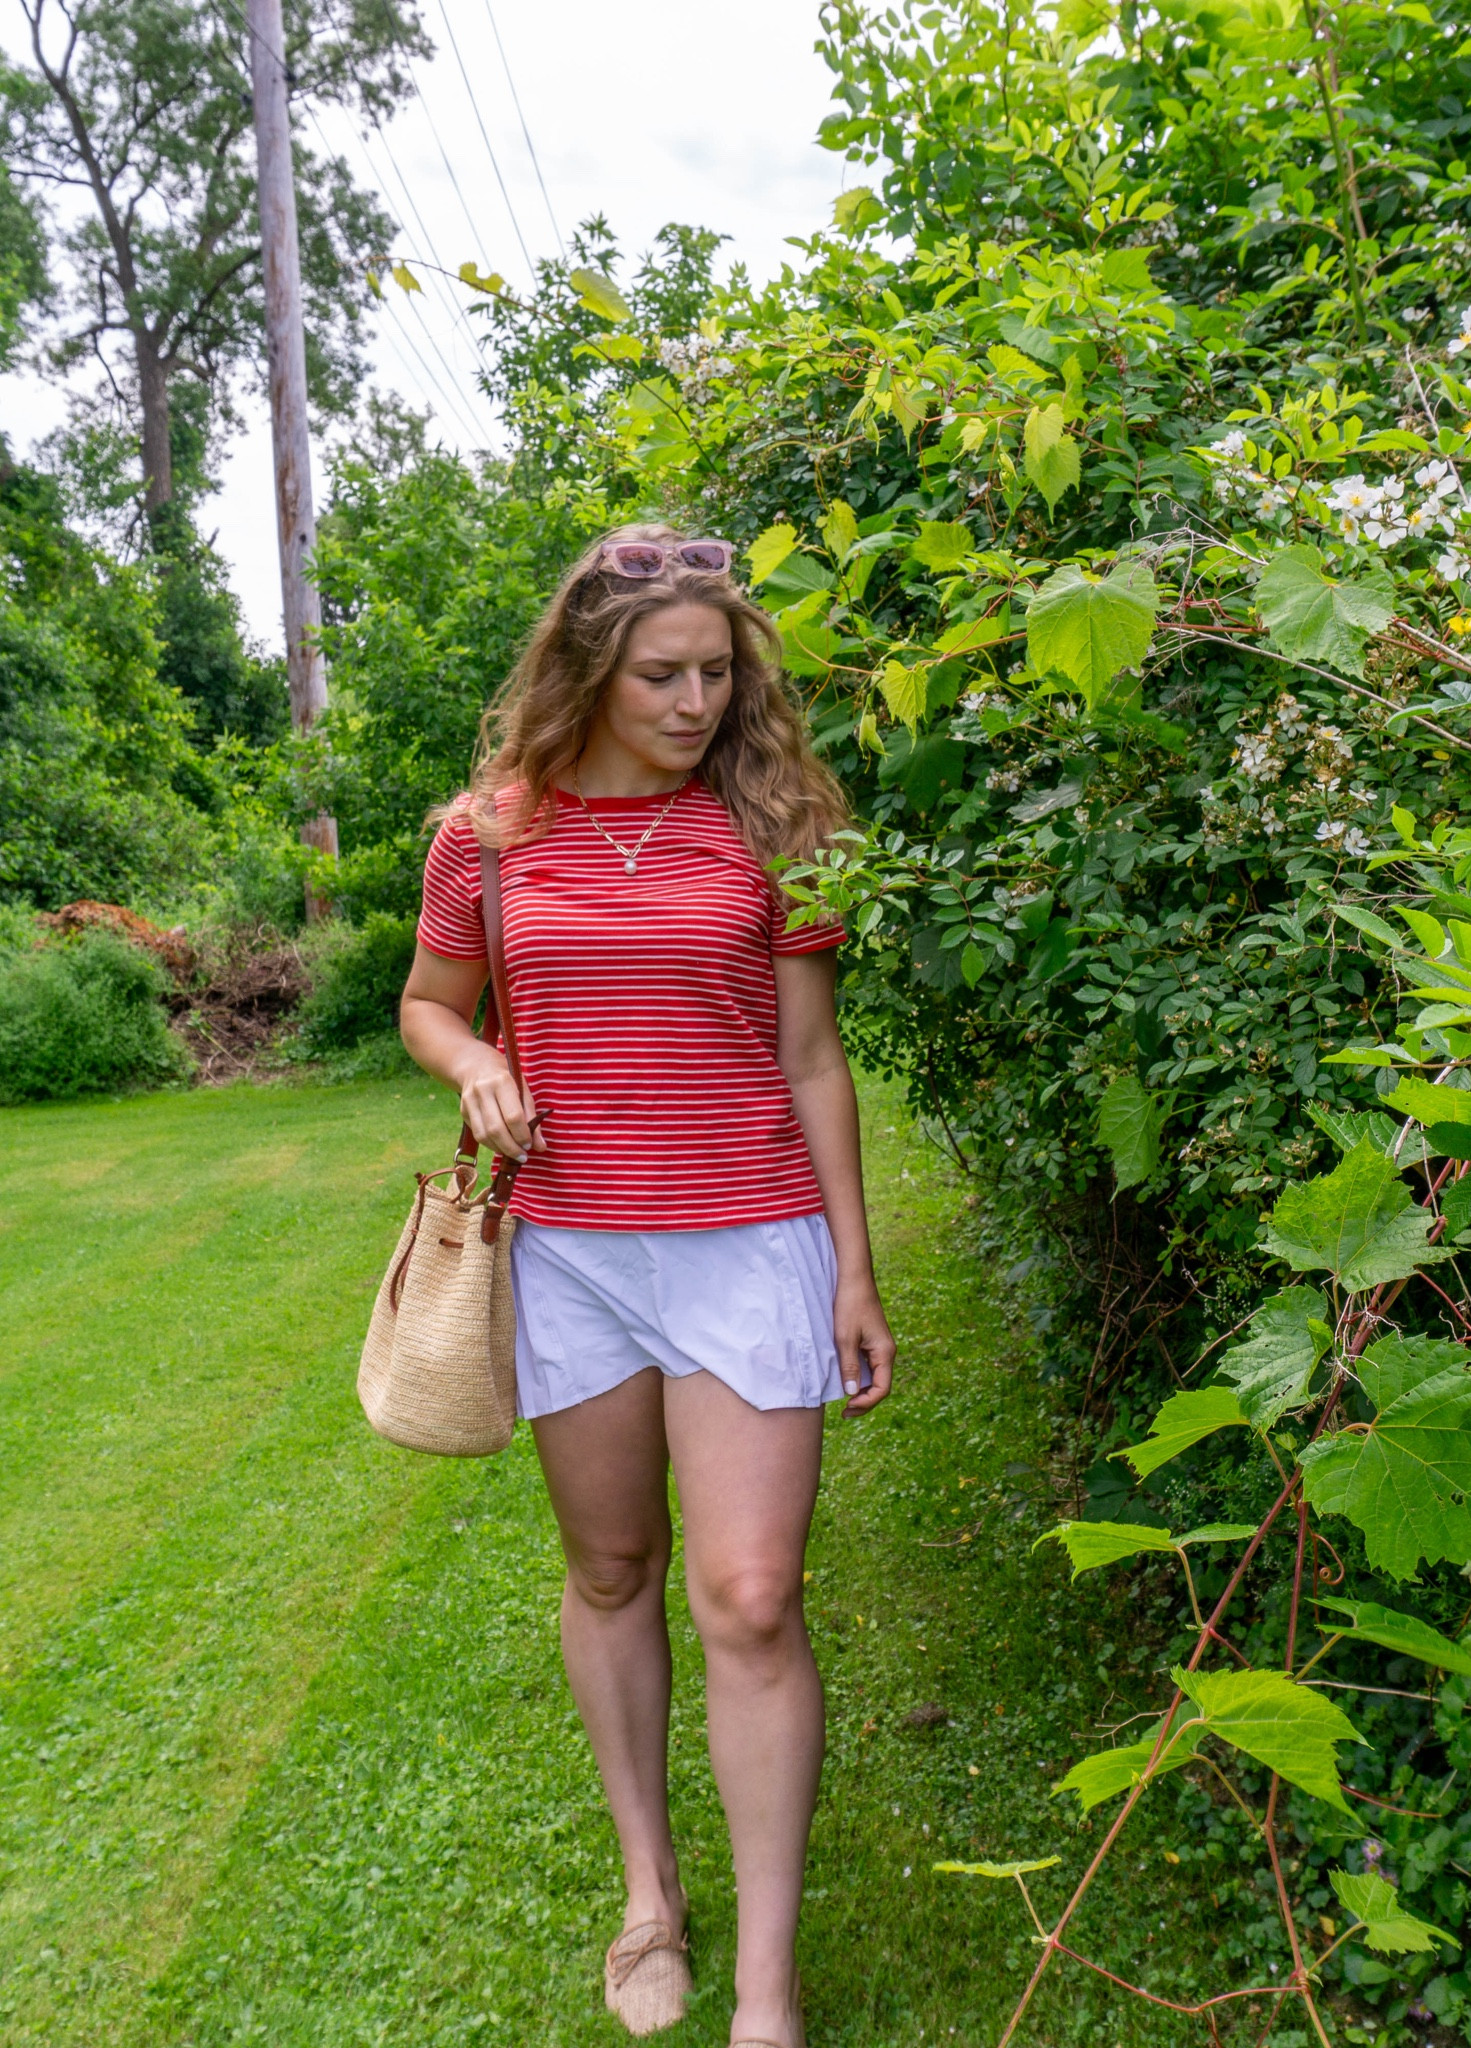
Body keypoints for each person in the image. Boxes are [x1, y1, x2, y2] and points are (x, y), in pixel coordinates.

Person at [398, 524, 896, 2048]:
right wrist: (478, 1059)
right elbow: (427, 1004)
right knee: (611, 1569)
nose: (696, 702)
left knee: (750, 1597)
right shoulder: (485, 835)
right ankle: (648, 1897)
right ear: (588, 671)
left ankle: (765, 1991)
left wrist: (854, 1268)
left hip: (750, 1240)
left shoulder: (778, 829)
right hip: (573, 1254)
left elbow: (812, 1057)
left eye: (717, 673)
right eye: (663, 674)